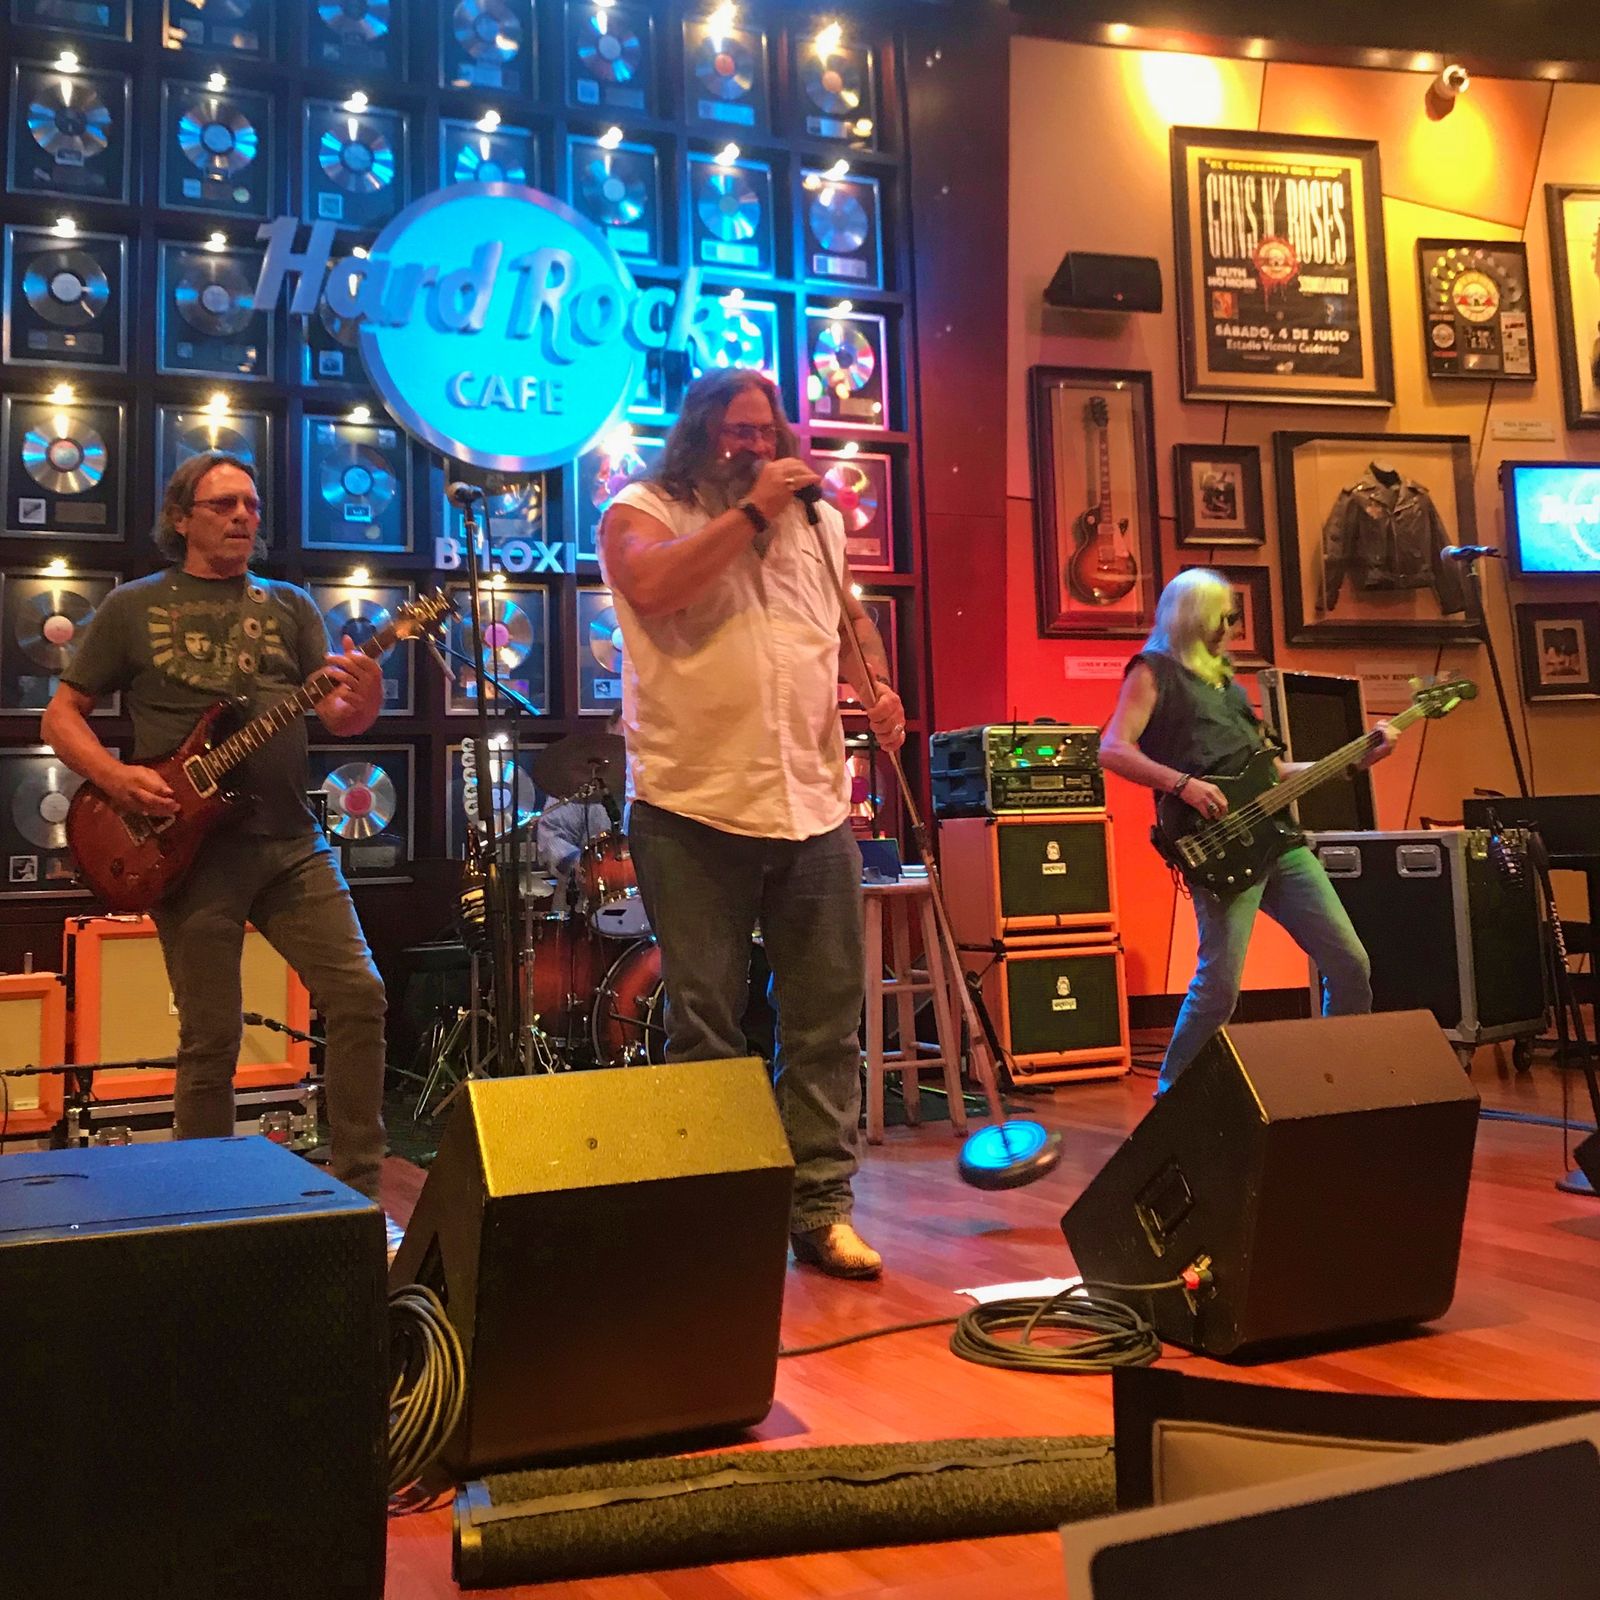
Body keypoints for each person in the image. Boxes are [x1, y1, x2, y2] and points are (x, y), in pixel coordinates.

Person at [599, 369, 906, 1280]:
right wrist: (754, 513)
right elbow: (652, 587)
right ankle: (717, 1214)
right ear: (700, 434)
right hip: (692, 805)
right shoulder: (642, 510)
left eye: (766, 432)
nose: (754, 446)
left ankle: (822, 1209)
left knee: (826, 1020)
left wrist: (877, 686)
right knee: (706, 1022)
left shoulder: (820, 524)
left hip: (812, 802)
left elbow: (849, 622)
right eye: (737, 431)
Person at [41, 453, 389, 1201]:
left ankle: (359, 1186)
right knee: (211, 1037)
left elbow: (339, 717)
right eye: (224, 504)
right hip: (189, 852)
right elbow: (60, 716)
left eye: (251, 506)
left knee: (360, 994)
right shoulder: (133, 607)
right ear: (180, 518)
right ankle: (205, 1203)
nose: (242, 517)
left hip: (292, 842)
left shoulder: (290, 605)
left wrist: (366, 695)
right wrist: (115, 778)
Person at [1099, 568, 1395, 1093]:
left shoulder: (1231, 688)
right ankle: (1174, 1094)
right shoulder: (1153, 672)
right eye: (1226, 616)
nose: (1233, 627)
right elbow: (1112, 748)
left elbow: (1272, 773)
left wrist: (1353, 760)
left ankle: (1339, 1078)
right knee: (1219, 985)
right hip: (1219, 848)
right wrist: (1183, 785)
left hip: (1278, 841)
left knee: (1349, 961)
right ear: (1196, 616)